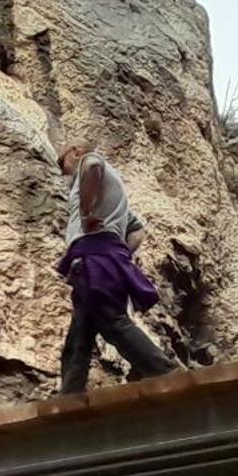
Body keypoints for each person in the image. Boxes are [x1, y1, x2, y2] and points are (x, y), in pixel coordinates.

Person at [56, 143, 176, 394]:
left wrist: (87, 214)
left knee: (112, 322)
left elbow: (92, 165)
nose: (63, 172)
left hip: (94, 257)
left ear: (75, 152)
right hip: (103, 258)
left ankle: (168, 373)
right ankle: (69, 396)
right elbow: (138, 231)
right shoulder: (115, 195)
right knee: (80, 333)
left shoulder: (89, 163)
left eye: (61, 163)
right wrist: (120, 253)